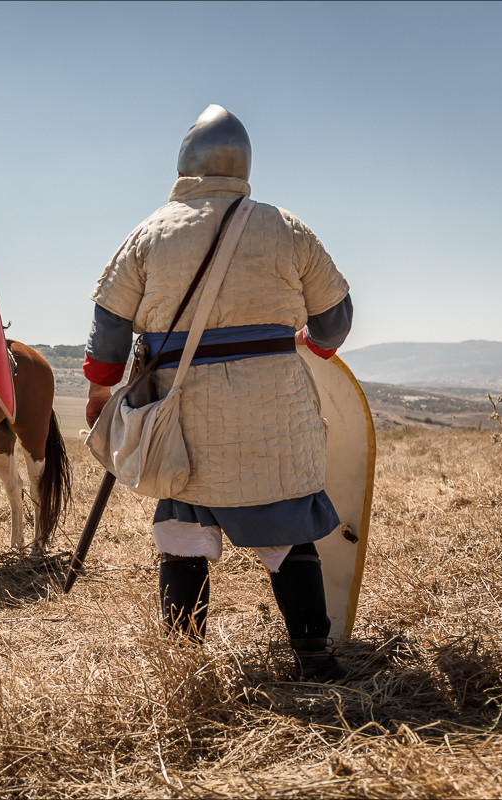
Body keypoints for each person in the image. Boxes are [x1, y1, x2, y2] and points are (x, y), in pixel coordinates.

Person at [83, 105, 356, 682]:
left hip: (183, 414)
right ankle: (314, 657)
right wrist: (310, 343)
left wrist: (100, 389)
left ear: (186, 164)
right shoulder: (286, 227)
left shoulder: (151, 231)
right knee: (289, 526)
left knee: (184, 528)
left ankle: (183, 662)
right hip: (275, 413)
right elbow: (335, 321)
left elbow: (109, 329)